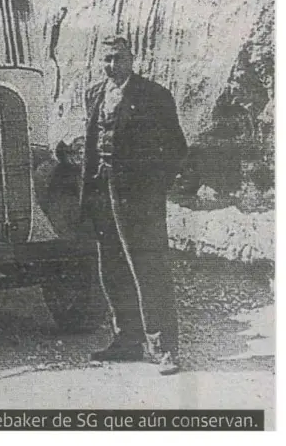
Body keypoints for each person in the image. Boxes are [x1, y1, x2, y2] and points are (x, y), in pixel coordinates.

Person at [80, 36, 187, 375]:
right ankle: (127, 340)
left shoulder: (153, 96)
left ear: (132, 58)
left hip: (139, 199)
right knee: (112, 269)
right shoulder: (95, 94)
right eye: (107, 59)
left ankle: (164, 348)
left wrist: (153, 190)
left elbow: (175, 149)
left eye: (119, 59)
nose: (113, 66)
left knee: (149, 270)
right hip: (102, 193)